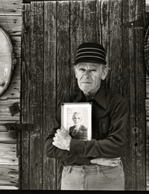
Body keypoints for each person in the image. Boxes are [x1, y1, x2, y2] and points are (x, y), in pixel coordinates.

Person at [45, 43, 129, 190]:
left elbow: (117, 146)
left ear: (104, 73)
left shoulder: (117, 103)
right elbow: (50, 148)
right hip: (72, 177)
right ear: (75, 73)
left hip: (107, 177)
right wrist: (93, 160)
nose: (86, 75)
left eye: (93, 70)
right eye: (82, 69)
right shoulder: (67, 104)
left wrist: (71, 145)